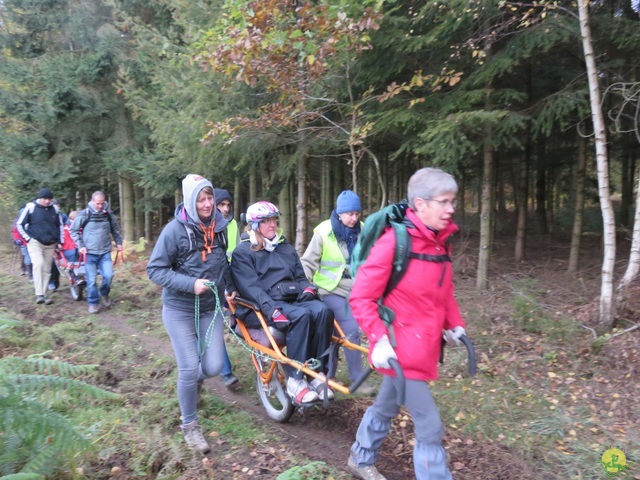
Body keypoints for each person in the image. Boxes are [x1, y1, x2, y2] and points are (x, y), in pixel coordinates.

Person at [347, 168, 467, 480]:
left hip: (423, 345)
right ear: (421, 203)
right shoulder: (393, 243)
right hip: (399, 350)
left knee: (386, 405)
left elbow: (443, 292)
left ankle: (360, 457)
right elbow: (361, 298)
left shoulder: (440, 244)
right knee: (429, 426)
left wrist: (454, 325)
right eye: (444, 201)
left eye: (452, 201)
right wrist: (378, 340)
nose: (451, 208)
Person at [147, 174, 237, 454]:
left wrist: (229, 289)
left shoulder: (220, 227)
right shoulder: (174, 231)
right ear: (189, 200)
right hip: (179, 310)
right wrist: (191, 284)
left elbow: (224, 263)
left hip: (210, 309)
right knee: (188, 367)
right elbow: (155, 270)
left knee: (211, 368)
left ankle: (192, 384)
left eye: (209, 197)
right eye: (201, 199)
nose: (208, 204)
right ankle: (190, 425)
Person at [230, 201, 335, 405]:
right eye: (266, 221)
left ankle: (315, 375)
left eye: (274, 220)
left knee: (324, 311)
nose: (272, 225)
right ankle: (295, 380)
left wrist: (307, 287)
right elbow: (253, 290)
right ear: (254, 225)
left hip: (293, 299)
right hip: (266, 304)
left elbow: (300, 276)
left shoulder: (285, 247)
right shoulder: (243, 253)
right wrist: (273, 311)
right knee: (301, 316)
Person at [301, 190, 374, 395]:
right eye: (349, 214)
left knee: (333, 333)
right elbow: (307, 263)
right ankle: (357, 379)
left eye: (357, 214)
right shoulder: (324, 231)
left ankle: (328, 373)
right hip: (329, 290)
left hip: (358, 291)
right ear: (339, 213)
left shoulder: (364, 230)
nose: (354, 218)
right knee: (351, 329)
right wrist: (303, 287)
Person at [70, 191, 123, 314]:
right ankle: (93, 303)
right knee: (92, 280)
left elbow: (115, 229)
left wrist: (119, 242)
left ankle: (104, 293)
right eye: (98, 203)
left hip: (105, 252)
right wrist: (81, 245)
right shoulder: (85, 214)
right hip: (89, 253)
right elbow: (73, 231)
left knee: (109, 276)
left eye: (102, 203)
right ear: (93, 201)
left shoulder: (108, 213)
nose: (100, 206)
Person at [15, 188, 64, 305]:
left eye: (49, 199)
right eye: (45, 199)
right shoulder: (31, 208)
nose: (47, 201)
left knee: (47, 269)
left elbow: (60, 225)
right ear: (40, 198)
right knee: (38, 264)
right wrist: (28, 238)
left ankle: (44, 293)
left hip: (50, 243)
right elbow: (19, 224)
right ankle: (39, 294)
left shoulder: (55, 210)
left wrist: (60, 241)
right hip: (35, 242)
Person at [213, 188, 240, 388]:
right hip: (211, 281)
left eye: (227, 205)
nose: (224, 209)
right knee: (213, 328)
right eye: (221, 205)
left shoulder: (232, 225)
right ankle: (226, 372)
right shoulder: (204, 227)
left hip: (230, 279)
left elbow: (237, 253)